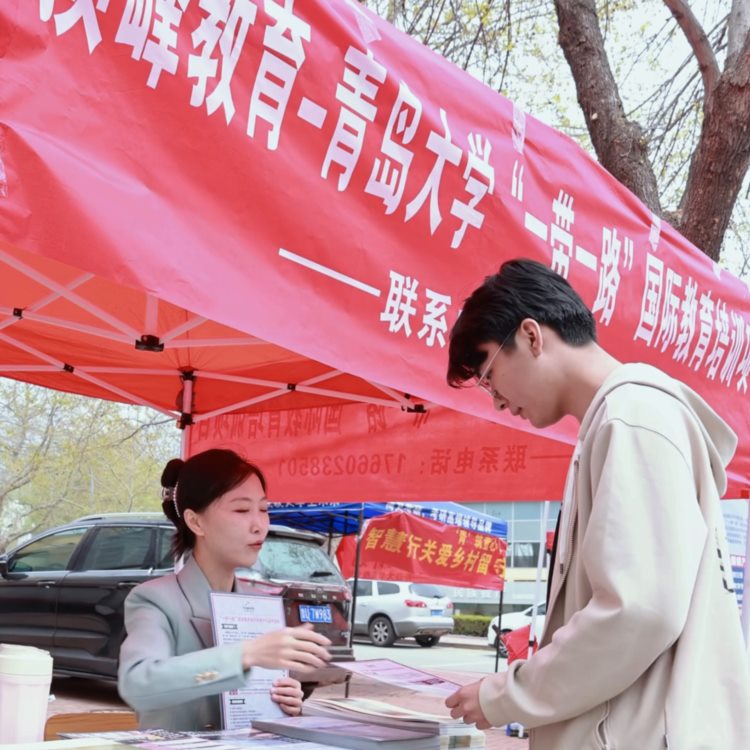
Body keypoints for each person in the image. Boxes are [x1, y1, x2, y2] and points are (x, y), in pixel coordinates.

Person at [443, 259, 750, 749]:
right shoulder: (626, 418)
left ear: (531, 336)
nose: (497, 401)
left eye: (489, 374)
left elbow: (639, 611)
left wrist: (507, 694)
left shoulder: (631, 416)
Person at [118, 449, 331, 731]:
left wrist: (286, 701)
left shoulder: (259, 606)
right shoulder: (156, 600)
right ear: (196, 521)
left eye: (264, 509)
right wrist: (245, 655)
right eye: (242, 510)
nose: (259, 526)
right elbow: (138, 685)